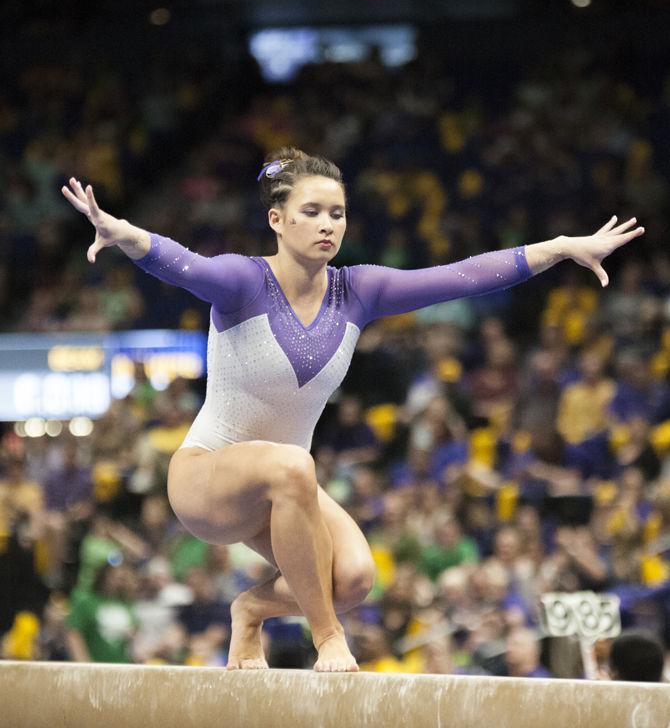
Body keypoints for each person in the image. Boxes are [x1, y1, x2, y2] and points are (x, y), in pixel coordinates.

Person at [62, 145, 644, 672]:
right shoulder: (245, 281)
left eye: (337, 214)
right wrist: (123, 234)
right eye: (311, 211)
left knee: (356, 577)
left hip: (279, 491)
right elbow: (184, 264)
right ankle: (328, 638)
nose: (327, 225)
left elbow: (462, 276)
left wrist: (563, 247)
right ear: (277, 219)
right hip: (206, 479)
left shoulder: (358, 291)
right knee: (294, 467)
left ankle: (251, 611)